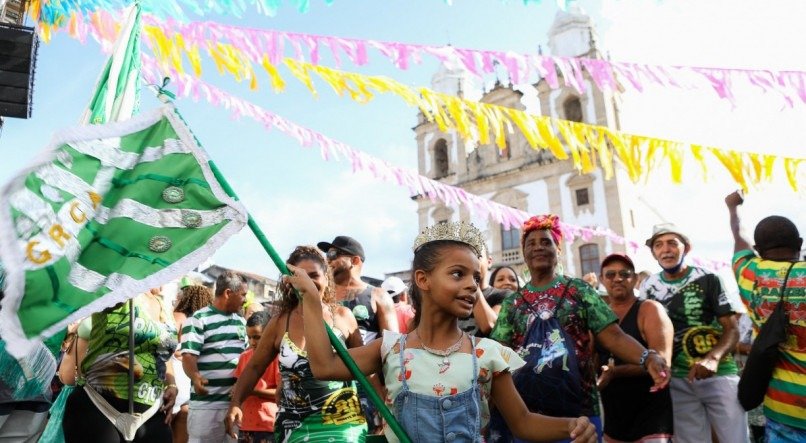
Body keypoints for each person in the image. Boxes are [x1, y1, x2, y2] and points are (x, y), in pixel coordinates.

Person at [292, 221, 597, 442]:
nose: (472, 285)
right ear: (423, 280)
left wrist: (572, 424)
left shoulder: (487, 354)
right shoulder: (390, 350)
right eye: (457, 274)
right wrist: (310, 300)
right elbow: (323, 366)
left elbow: (523, 422)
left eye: (476, 277)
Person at [490, 214, 670, 442]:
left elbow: (613, 336)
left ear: (558, 249)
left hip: (580, 414)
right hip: (527, 416)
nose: (538, 248)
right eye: (531, 243)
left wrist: (647, 357)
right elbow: (499, 354)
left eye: (546, 242)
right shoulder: (512, 302)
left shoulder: (580, 291)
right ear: (524, 253)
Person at [225, 246, 367, 442]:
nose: (307, 282)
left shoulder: (344, 317)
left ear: (326, 277)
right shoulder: (279, 322)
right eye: (301, 276)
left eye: (314, 276)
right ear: (289, 282)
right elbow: (255, 367)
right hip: (294, 424)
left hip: (342, 422)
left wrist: (385, 408)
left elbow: (365, 368)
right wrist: (236, 402)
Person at [639, 222, 746, 443]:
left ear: (686, 248)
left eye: (672, 243)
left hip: (719, 375)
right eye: (658, 245)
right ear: (653, 253)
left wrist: (713, 359)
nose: (665, 249)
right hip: (676, 380)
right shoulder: (648, 286)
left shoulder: (708, 278)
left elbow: (732, 328)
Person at [725, 190, 805, 442]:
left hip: (783, 411)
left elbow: (740, 238)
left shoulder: (750, 274)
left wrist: (733, 209)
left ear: (758, 250)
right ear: (800, 244)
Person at [62, 289, 179, 443]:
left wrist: (171, 384)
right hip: (99, 407)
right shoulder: (118, 290)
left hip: (151, 414)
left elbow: (164, 355)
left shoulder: (164, 307)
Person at [317, 235, 398, 433]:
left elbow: (393, 348)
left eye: (334, 254)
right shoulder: (320, 296)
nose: (328, 259)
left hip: (365, 387)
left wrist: (385, 396)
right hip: (323, 385)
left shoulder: (377, 295)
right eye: (326, 254)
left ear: (355, 260)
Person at [595, 253, 675, 443]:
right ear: (601, 280)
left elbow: (662, 363)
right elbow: (592, 359)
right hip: (613, 416)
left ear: (636, 279)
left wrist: (615, 372)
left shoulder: (649, 309)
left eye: (625, 274)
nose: (618, 279)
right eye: (610, 274)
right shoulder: (598, 315)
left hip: (650, 414)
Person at [180, 272, 248, 443]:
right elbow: (188, 355)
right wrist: (195, 377)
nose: (245, 300)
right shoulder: (198, 319)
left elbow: (247, 358)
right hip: (206, 407)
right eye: (243, 294)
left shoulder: (241, 322)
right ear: (228, 293)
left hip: (233, 406)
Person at [171, 284, 214, 443]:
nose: (176, 300)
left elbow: (169, 348)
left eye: (178, 297)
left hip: (174, 380)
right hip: (193, 385)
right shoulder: (204, 323)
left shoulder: (178, 317)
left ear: (185, 299)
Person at [234, 311, 279, 443]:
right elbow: (238, 387)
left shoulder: (278, 358)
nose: (252, 342)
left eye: (257, 337)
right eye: (249, 337)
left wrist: (251, 389)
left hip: (269, 423)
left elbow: (281, 393)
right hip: (246, 423)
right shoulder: (244, 357)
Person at [457, 245, 513, 338]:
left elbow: (489, 325)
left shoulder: (504, 295)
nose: (471, 262)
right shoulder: (453, 294)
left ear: (489, 261)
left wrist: (472, 281)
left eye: (477, 256)